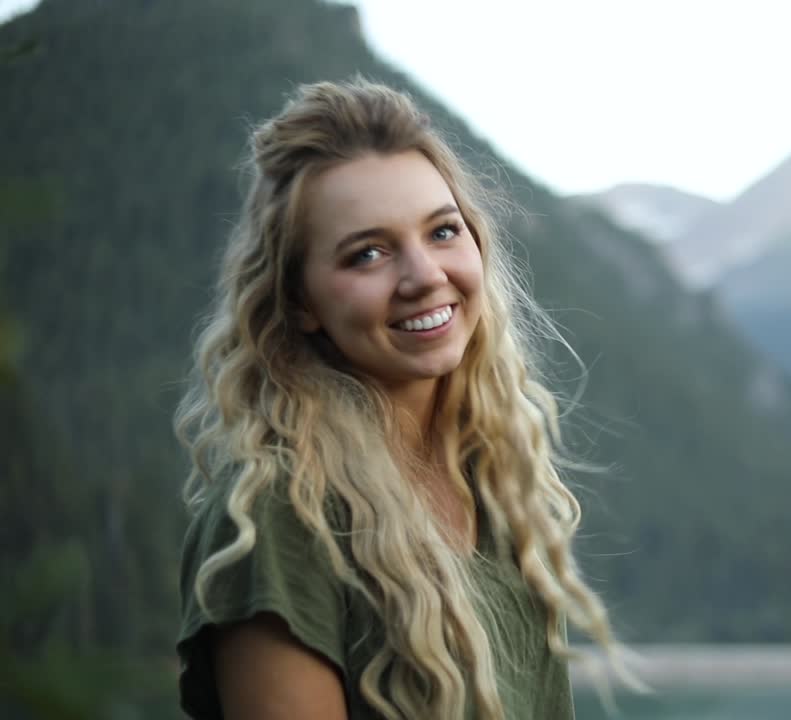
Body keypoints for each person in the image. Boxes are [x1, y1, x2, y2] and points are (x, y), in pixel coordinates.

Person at [174, 78, 624, 720]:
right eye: (368, 254)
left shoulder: (495, 491)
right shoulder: (281, 519)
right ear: (300, 302)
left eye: (442, 232)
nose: (424, 276)